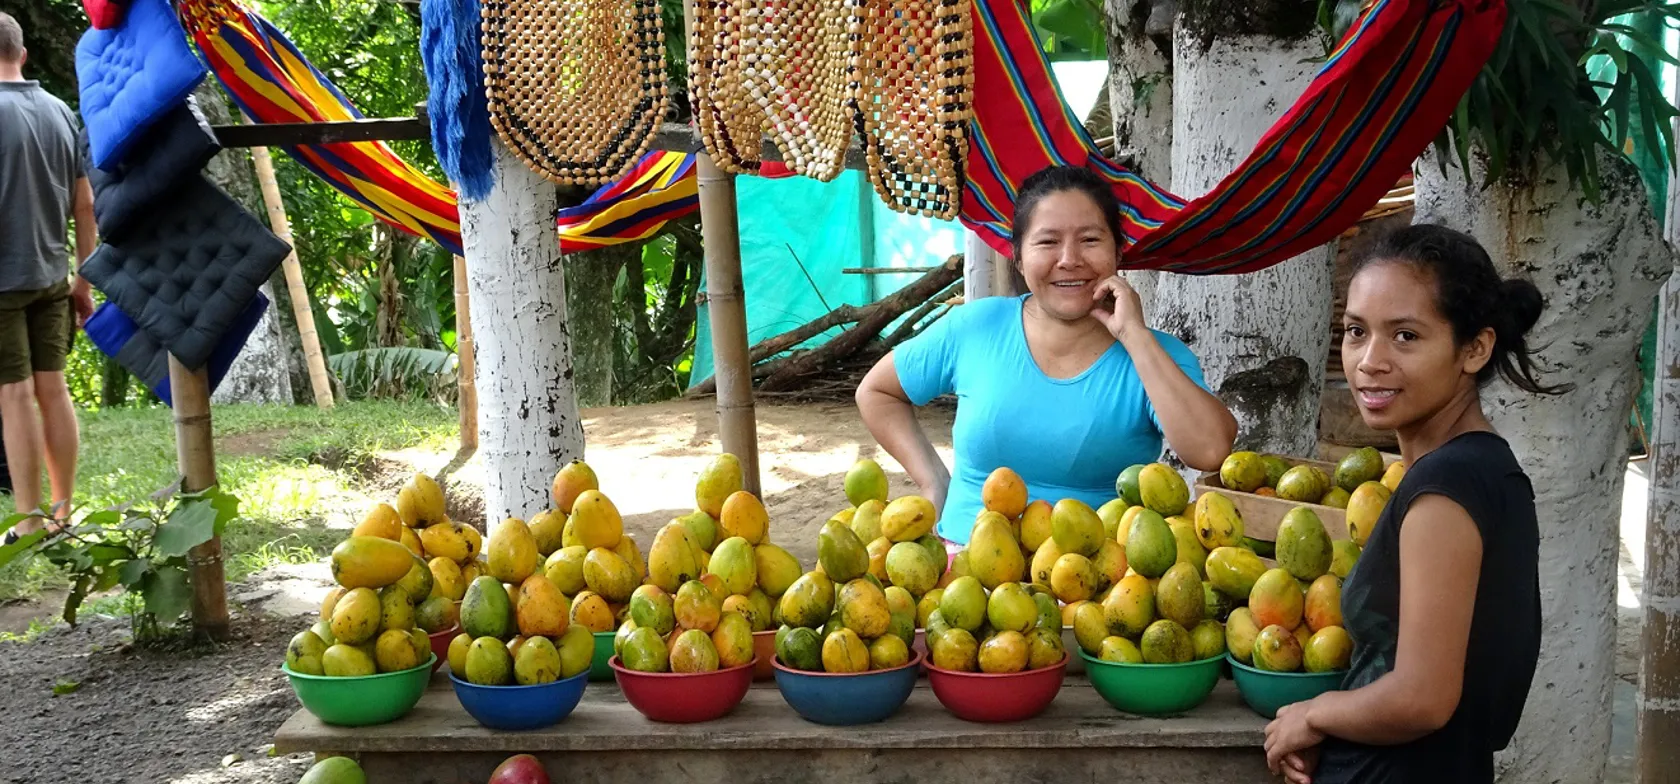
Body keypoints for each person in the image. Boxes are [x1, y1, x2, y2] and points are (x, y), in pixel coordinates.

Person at [1262, 224, 1558, 783]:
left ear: (1475, 348)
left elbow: (1423, 697)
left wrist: (1310, 715)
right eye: (1356, 331)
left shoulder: (1445, 491)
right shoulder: (1481, 469)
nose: (1369, 360)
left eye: (1405, 336)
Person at [854, 165, 1237, 549]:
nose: (1069, 259)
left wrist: (1134, 338)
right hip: (960, 575)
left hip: (1101, 586)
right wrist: (932, 481)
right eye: (1047, 242)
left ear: (1118, 252)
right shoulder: (976, 326)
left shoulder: (1156, 355)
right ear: (1018, 258)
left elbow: (1209, 450)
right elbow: (877, 391)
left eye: (1090, 239)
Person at [0, 12, 96, 541]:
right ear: (23, 54)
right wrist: (84, 278)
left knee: (13, 397)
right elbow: (85, 205)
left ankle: (28, 520)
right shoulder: (61, 111)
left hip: (4, 283)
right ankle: (63, 511)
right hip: (52, 276)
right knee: (53, 390)